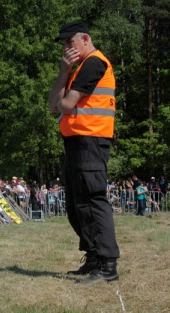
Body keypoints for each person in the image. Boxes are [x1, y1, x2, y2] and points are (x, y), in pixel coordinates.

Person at [49, 21, 120, 283]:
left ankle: (107, 265)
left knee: (92, 200)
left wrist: (65, 78)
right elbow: (52, 106)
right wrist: (64, 71)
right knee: (77, 205)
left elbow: (65, 104)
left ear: (85, 39)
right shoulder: (77, 67)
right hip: (78, 141)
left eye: (70, 43)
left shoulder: (94, 62)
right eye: (64, 45)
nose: (67, 48)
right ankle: (93, 258)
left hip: (91, 139)